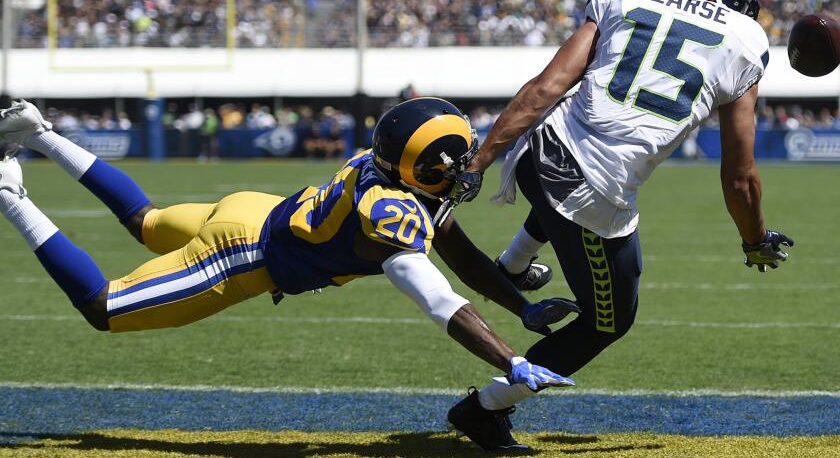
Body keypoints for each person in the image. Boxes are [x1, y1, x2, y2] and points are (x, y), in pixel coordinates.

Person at [0, 98, 580, 420]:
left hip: (253, 210)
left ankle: (41, 134)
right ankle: (10, 193)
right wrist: (512, 360)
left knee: (147, 222)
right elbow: (439, 299)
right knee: (104, 308)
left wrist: (521, 308)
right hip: (242, 254)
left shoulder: (385, 172)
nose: (464, 168)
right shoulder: (393, 214)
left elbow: (467, 260)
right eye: (452, 164)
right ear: (420, 172)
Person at [444, 0, 795, 450]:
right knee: (608, 321)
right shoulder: (744, 40)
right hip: (591, 188)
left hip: (539, 150)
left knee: (570, 183)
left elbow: (547, 87)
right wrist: (755, 239)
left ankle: (513, 266)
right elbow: (740, 177)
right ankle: (484, 408)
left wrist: (481, 160)